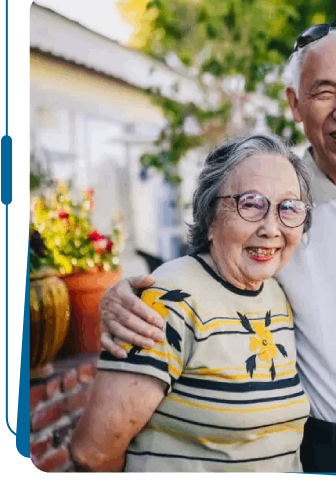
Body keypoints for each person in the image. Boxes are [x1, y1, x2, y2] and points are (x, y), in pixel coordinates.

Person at [98, 21, 336, 473]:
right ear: (295, 104)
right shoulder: (277, 208)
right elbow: (208, 273)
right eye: (324, 92)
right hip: (322, 452)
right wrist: (124, 294)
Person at [70, 134, 314, 472]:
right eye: (251, 204)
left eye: (289, 207)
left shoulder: (276, 294)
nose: (271, 227)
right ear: (211, 217)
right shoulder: (169, 301)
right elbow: (92, 452)